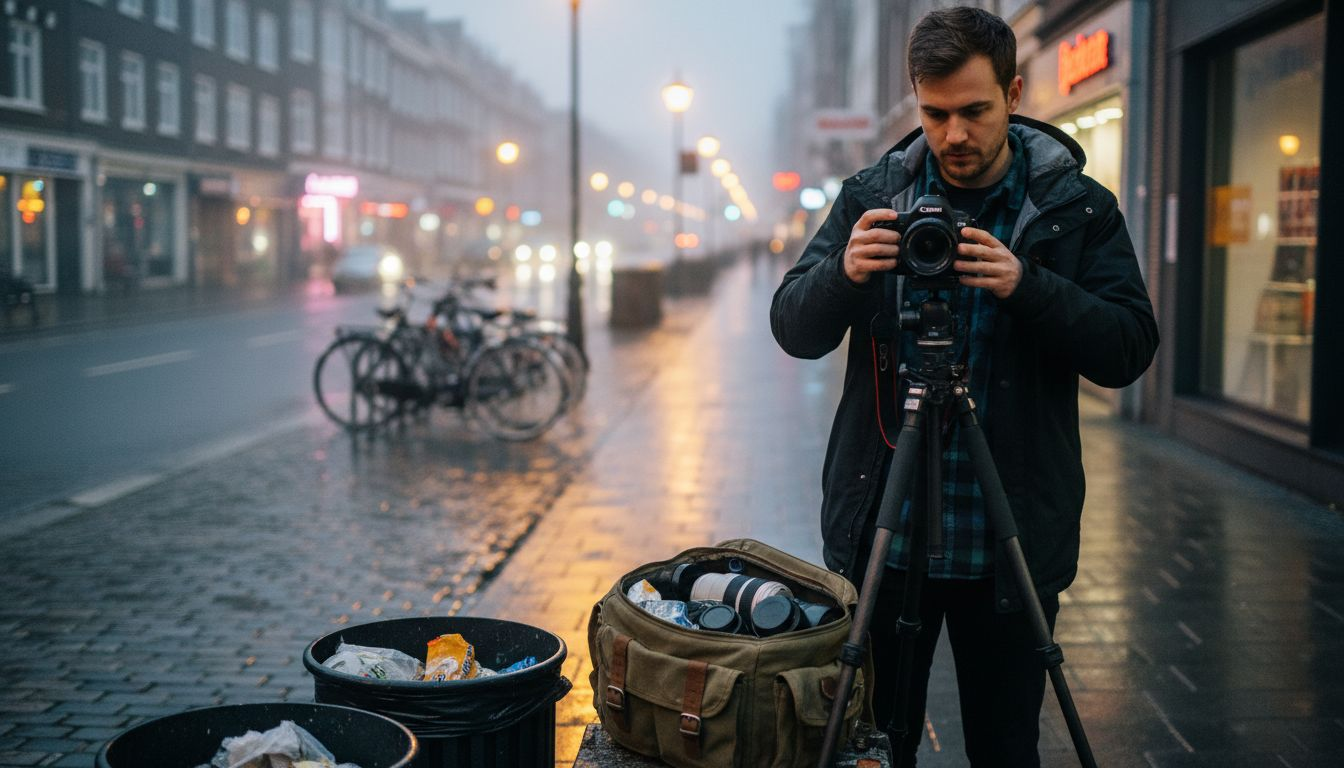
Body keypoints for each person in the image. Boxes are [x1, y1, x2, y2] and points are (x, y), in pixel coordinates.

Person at [770, 6, 1158, 766]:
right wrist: (845, 275)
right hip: (888, 530)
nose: (954, 135)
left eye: (975, 111)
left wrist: (1028, 285)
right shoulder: (872, 196)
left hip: (1009, 539)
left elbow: (1128, 348)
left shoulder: (1074, 208)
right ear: (916, 100)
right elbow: (793, 327)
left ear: (1015, 93)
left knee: (1006, 746)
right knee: (877, 745)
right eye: (935, 112)